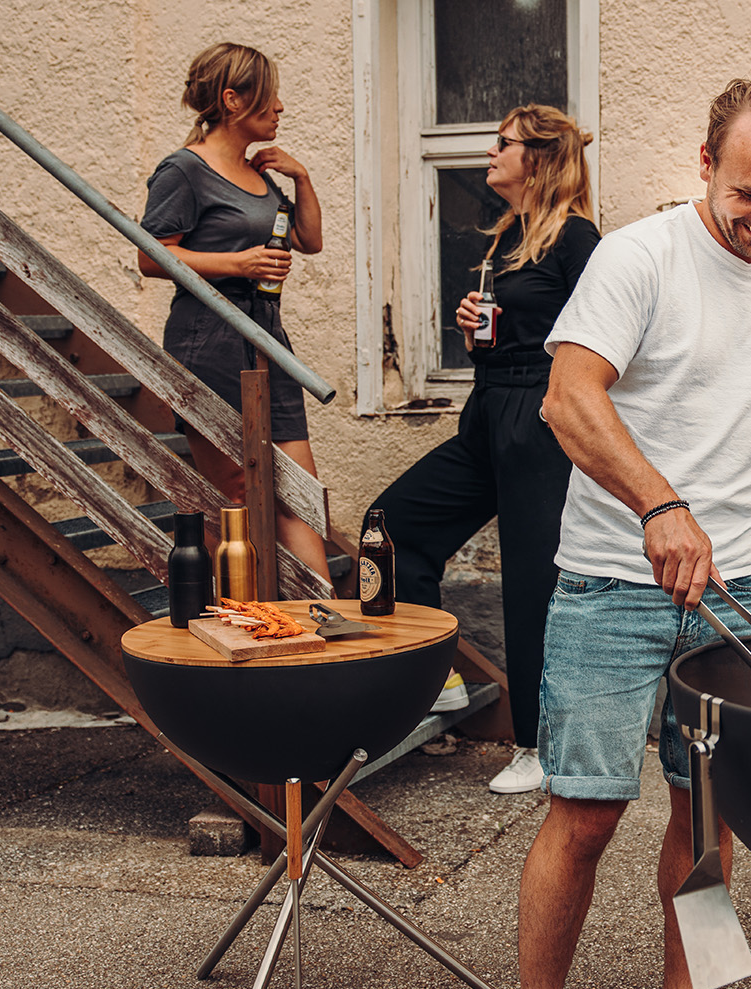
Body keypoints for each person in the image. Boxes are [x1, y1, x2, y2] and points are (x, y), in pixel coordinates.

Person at [503, 76, 751, 989]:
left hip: (735, 587)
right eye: (750, 193)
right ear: (706, 165)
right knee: (585, 812)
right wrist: (659, 505)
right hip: (610, 584)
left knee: (709, 816)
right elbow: (570, 403)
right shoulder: (639, 259)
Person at [369, 105, 600, 794]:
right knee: (394, 526)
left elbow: (603, 340)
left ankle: (539, 745)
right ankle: (431, 678)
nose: (489, 154)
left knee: (531, 587)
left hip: (540, 418)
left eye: (503, 144)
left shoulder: (578, 239)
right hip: (486, 412)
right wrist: (476, 334)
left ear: (538, 159)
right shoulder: (508, 236)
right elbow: (510, 333)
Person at [140, 42, 331, 584]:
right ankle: (246, 628)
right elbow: (151, 255)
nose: (280, 108)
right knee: (239, 495)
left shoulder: (260, 173)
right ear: (231, 100)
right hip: (210, 337)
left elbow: (308, 241)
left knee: (298, 490)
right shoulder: (184, 170)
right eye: (270, 97)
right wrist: (235, 263)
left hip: (267, 335)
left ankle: (330, 624)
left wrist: (303, 179)